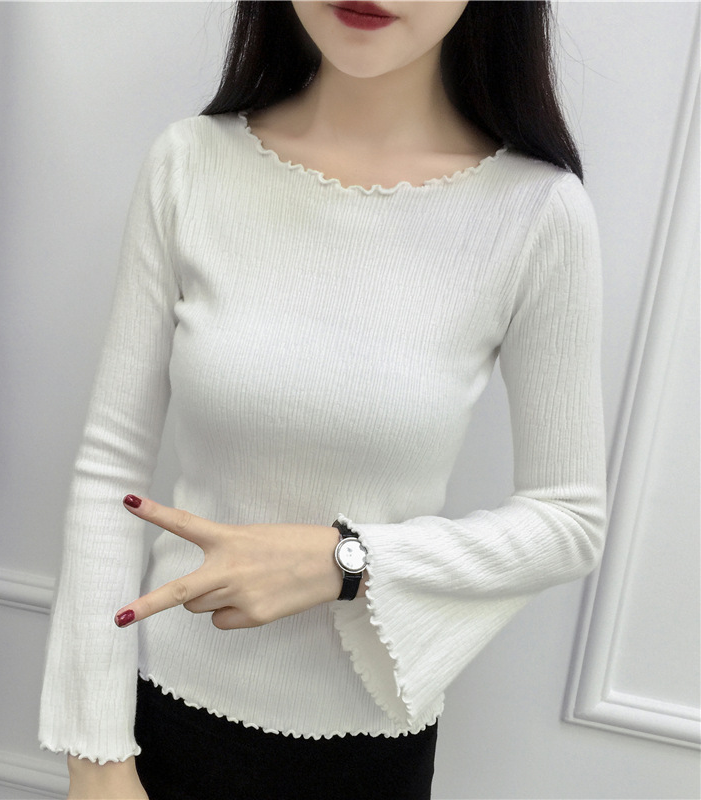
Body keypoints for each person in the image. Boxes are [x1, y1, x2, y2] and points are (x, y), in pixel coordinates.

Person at [38, 2, 607, 798]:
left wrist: (340, 559)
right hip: (161, 731)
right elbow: (110, 469)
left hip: (370, 755)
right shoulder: (191, 163)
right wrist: (96, 754)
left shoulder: (537, 212)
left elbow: (570, 520)